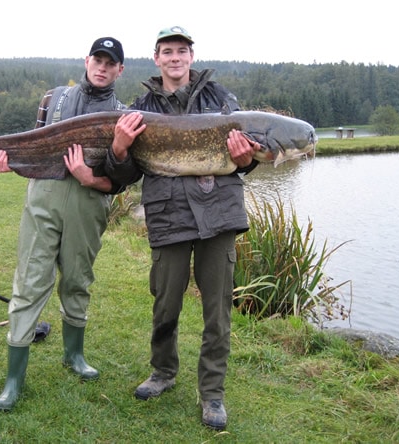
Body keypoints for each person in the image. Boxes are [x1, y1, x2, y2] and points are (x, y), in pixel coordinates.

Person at [104, 26, 260, 430]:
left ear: (192, 56)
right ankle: (163, 372)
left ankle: (212, 394)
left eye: (181, 51)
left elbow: (249, 159)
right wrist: (119, 148)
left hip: (219, 217)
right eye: (167, 51)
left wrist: (245, 159)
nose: (175, 57)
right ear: (156, 58)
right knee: (165, 304)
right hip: (168, 215)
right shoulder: (138, 108)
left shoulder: (223, 101)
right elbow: (125, 172)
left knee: (217, 313)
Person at [0, 37, 126, 412]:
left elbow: (122, 177)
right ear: (86, 61)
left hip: (89, 203)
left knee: (78, 278)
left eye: (110, 62)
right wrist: (8, 161)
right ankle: (14, 379)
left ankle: (73, 356)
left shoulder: (124, 115)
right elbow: (32, 146)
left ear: (119, 70)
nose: (102, 66)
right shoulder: (53, 99)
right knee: (31, 280)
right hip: (43, 198)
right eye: (97, 59)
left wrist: (89, 176)